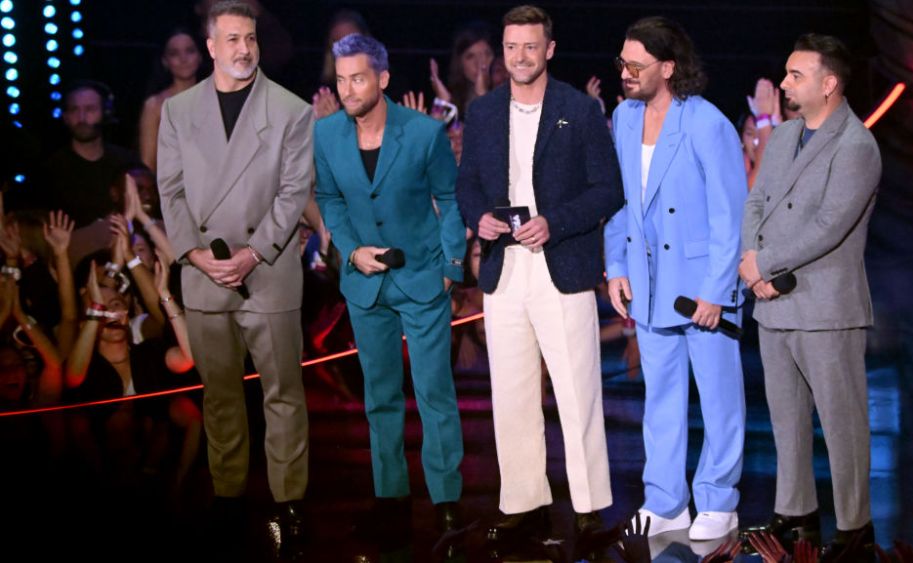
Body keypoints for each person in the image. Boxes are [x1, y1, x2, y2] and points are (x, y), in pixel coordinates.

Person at [455, 4, 623, 541]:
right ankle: (524, 504)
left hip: (561, 266)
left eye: (530, 46)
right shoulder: (483, 112)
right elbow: (466, 184)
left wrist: (555, 223)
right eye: (511, 47)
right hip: (504, 269)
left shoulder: (579, 108)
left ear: (549, 49)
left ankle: (591, 509)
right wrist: (476, 215)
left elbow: (607, 190)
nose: (520, 56)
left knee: (577, 393)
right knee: (512, 393)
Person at [156, 1, 313, 554]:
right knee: (220, 397)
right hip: (203, 274)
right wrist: (193, 254)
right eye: (232, 39)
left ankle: (289, 504)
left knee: (283, 396)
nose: (244, 48)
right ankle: (227, 498)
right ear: (211, 46)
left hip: (266, 272)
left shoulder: (291, 110)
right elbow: (169, 193)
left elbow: (295, 193)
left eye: (250, 38)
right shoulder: (178, 111)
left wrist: (254, 251)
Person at [313, 32, 466, 539]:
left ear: (382, 78)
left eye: (357, 78)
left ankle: (447, 503)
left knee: (433, 394)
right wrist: (351, 249)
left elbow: (450, 195)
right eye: (340, 80)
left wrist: (451, 267)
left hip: (423, 278)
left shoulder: (423, 133)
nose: (348, 89)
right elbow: (330, 200)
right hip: (365, 283)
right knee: (379, 397)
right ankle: (391, 501)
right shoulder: (328, 134)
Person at [737, 34, 881, 562]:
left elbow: (828, 226)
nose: (784, 83)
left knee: (842, 424)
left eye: (796, 75)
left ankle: (855, 528)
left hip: (826, 306)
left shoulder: (856, 146)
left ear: (830, 83)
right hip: (772, 304)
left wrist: (767, 265)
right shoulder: (783, 138)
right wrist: (753, 264)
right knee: (786, 419)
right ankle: (795, 515)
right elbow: (755, 201)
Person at [604, 16, 748, 541]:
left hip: (699, 288)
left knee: (718, 397)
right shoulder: (622, 118)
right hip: (648, 283)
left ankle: (719, 498)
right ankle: (666, 501)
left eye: (636, 65)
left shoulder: (706, 123)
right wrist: (616, 266)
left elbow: (730, 215)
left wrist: (717, 290)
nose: (625, 73)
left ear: (667, 67)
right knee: (660, 397)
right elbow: (620, 200)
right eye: (622, 62)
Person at [37, 82, 141, 227]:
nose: (82, 118)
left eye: (90, 109)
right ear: (65, 117)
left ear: (106, 112)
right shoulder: (49, 172)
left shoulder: (127, 163)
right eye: (74, 110)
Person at [138, 29, 204, 172]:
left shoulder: (219, 98)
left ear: (200, 56)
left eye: (190, 51)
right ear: (165, 61)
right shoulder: (154, 106)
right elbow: (148, 164)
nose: (183, 59)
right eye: (174, 53)